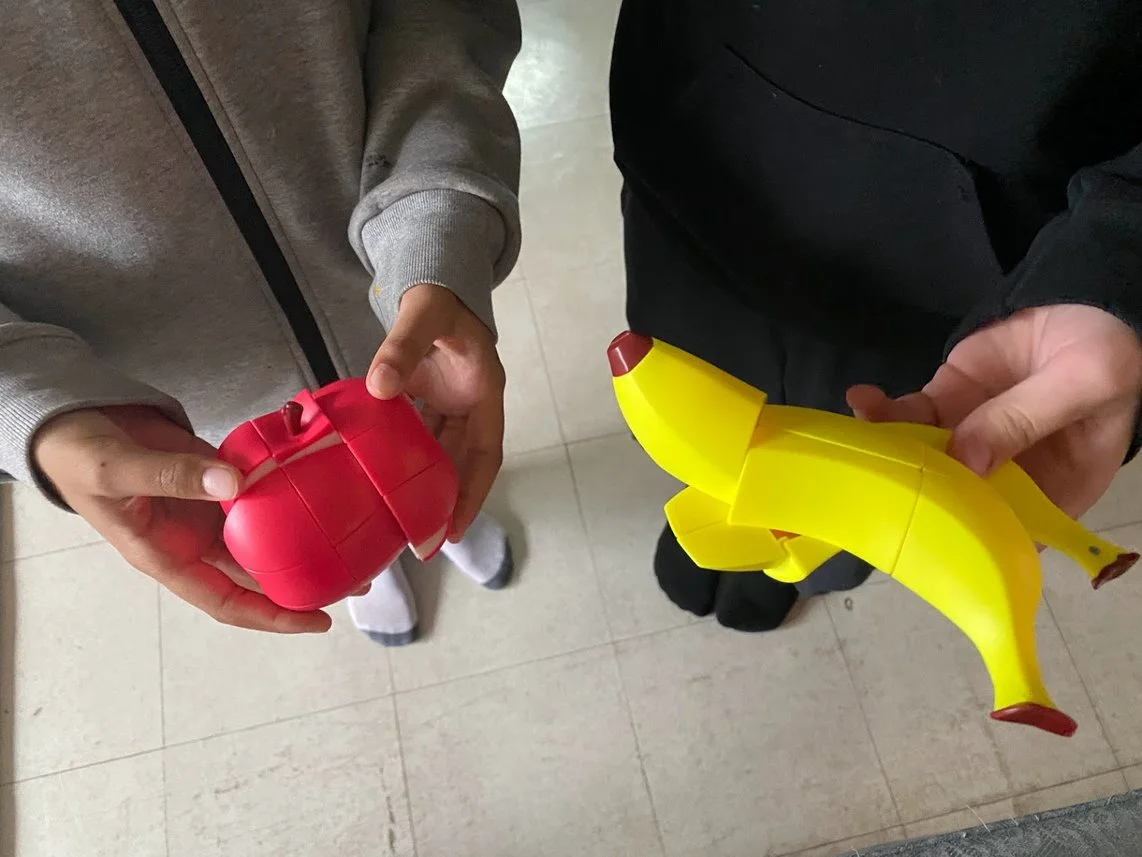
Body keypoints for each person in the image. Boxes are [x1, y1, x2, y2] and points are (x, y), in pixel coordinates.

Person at [608, 0, 1142, 631]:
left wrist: (1119, 255)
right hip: (697, 154)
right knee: (692, 416)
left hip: (966, 281)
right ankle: (724, 537)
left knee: (875, 469)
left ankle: (811, 567)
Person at [0, 0, 521, 642]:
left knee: (431, 436)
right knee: (281, 505)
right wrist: (24, 403)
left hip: (385, 281)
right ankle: (374, 558)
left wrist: (437, 224)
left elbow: (441, 17)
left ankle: (429, 521)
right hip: (167, 385)